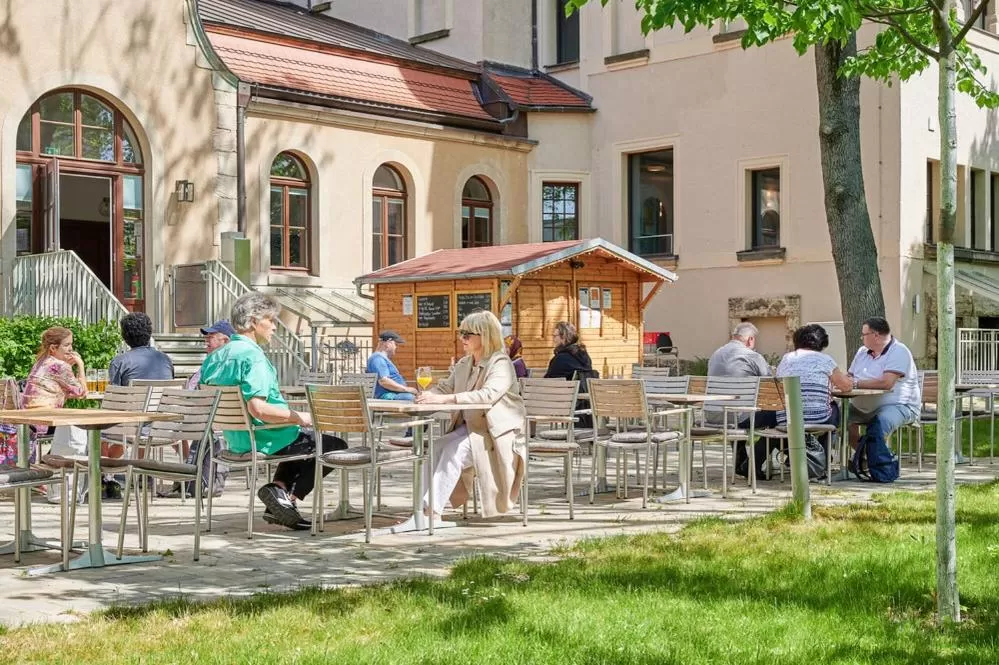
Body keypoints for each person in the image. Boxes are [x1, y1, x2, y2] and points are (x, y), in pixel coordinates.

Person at [200, 292, 346, 530]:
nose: (276, 327)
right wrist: (301, 417)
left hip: (235, 441)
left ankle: (278, 492)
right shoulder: (253, 357)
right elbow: (258, 408)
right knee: (333, 446)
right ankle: (287, 498)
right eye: (271, 320)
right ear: (253, 321)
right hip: (265, 438)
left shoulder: (214, 358)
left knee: (301, 440)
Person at [398, 310, 525, 528]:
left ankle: (433, 513)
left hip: (497, 434)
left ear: (484, 336)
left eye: (467, 334)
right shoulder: (465, 363)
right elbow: (445, 387)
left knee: (453, 451)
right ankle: (421, 512)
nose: (462, 339)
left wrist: (445, 399)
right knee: (437, 447)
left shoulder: (501, 363)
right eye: (461, 333)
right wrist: (430, 396)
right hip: (472, 428)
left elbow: (487, 395)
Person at [21, 327, 88, 503]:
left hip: (30, 418)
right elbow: (81, 392)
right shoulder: (59, 366)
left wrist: (70, 370)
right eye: (66, 345)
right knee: (84, 433)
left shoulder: (42, 361)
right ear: (53, 348)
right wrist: (80, 366)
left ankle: (45, 473)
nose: (71, 349)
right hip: (45, 420)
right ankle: (78, 482)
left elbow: (69, 391)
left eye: (71, 345)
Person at [846, 316, 920, 451]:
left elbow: (886, 383)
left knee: (879, 425)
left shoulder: (899, 351)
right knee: (834, 417)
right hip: (860, 408)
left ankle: (877, 464)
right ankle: (862, 456)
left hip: (897, 405)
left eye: (864, 335)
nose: (861, 338)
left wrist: (855, 384)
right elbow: (849, 376)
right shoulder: (862, 352)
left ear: (876, 335)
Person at [776, 324, 853, 449]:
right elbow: (846, 387)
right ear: (822, 342)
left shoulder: (786, 359)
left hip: (786, 418)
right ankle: (823, 458)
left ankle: (804, 457)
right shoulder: (825, 360)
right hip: (818, 418)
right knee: (836, 410)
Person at [705, 322, 773, 427]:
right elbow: (770, 382)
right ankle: (763, 444)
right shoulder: (752, 356)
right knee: (776, 412)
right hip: (739, 418)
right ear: (750, 339)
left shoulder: (715, 355)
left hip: (711, 415)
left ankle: (739, 444)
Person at [544, 321, 596, 427]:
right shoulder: (584, 356)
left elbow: (547, 383)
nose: (553, 339)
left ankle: (528, 434)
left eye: (555, 336)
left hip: (564, 406)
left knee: (526, 397)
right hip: (585, 406)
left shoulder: (561, 359)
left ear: (564, 337)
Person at [108, 312, 174, 387]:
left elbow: (114, 394)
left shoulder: (119, 362)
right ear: (149, 334)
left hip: (132, 398)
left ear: (125, 337)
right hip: (162, 399)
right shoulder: (165, 360)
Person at [184, 320, 236, 390]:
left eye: (211, 337)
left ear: (225, 340)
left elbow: (190, 390)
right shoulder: (211, 362)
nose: (206, 341)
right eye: (206, 337)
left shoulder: (211, 365)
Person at [366, 331, 417, 400]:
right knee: (411, 398)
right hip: (386, 395)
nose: (396, 347)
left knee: (421, 398)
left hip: (394, 393)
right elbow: (384, 381)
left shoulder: (380, 358)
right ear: (388, 343)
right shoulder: (377, 358)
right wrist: (406, 389)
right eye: (395, 344)